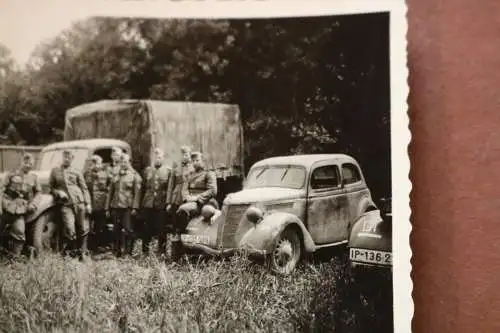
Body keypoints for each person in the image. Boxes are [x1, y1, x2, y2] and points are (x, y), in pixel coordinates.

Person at [171, 151, 217, 261]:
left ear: (203, 162)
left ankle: (179, 234)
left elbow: (213, 190)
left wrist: (197, 198)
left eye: (198, 160)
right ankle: (180, 240)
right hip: (191, 201)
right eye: (193, 161)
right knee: (177, 212)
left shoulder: (209, 174)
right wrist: (187, 198)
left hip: (204, 202)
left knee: (182, 210)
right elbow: (184, 189)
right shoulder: (190, 175)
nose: (195, 163)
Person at [49, 149, 92, 261]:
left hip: (79, 203)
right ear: (62, 158)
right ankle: (71, 254)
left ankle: (82, 253)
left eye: (69, 157)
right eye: (65, 157)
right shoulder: (55, 171)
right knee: (70, 228)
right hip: (65, 204)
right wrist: (58, 192)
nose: (67, 159)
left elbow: (84, 188)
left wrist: (88, 203)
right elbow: (51, 188)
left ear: (72, 159)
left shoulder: (77, 171)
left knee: (82, 228)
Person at [0, 153, 41, 258]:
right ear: (21, 162)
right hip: (6, 206)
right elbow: (1, 189)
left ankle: (14, 259)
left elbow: (38, 193)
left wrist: (33, 204)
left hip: (20, 210)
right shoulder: (11, 174)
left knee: (19, 233)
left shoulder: (34, 178)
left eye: (30, 163)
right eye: (25, 162)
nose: (27, 165)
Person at [105, 153, 142, 258]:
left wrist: (135, 207)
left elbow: (137, 193)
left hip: (127, 207)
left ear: (129, 162)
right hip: (116, 206)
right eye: (122, 162)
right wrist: (107, 208)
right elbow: (110, 193)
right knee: (116, 230)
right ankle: (116, 251)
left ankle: (128, 253)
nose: (123, 163)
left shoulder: (134, 175)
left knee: (128, 230)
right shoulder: (116, 176)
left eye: (125, 161)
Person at [140, 148, 172, 257]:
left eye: (159, 157)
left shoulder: (168, 171)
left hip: (161, 203)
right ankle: (145, 251)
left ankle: (161, 251)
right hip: (148, 202)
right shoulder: (147, 170)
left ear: (163, 158)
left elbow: (169, 188)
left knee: (161, 228)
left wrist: (168, 203)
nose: (157, 159)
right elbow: (143, 188)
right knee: (146, 228)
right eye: (155, 157)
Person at [84, 154, 112, 253]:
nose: (97, 165)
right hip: (90, 204)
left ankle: (100, 246)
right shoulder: (86, 174)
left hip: (101, 205)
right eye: (94, 163)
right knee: (89, 227)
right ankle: (90, 247)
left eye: (99, 163)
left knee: (101, 226)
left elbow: (110, 188)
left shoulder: (106, 174)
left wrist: (107, 204)